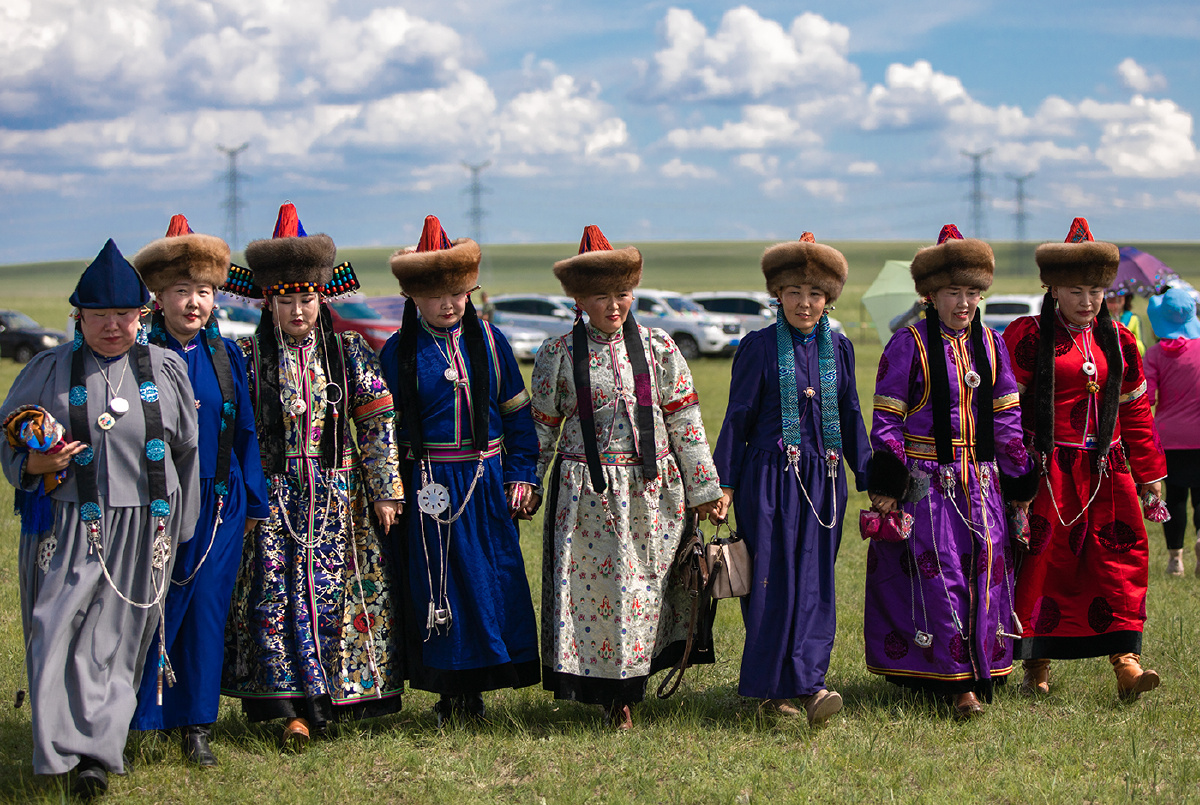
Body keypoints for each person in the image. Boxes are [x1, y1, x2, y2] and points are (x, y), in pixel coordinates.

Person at [0, 240, 199, 799]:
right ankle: (56, 746)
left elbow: (187, 449)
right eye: (98, 315)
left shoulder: (167, 370)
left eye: (124, 314)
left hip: (142, 528)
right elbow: (8, 433)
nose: (112, 326)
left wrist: (181, 527)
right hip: (68, 525)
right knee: (53, 628)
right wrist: (33, 463)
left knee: (116, 638)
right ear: (78, 317)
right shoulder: (47, 369)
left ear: (142, 315)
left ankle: (95, 753)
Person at [220, 203, 405, 747]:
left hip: (334, 496)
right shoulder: (247, 358)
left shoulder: (348, 352)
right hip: (272, 499)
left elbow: (377, 421)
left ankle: (326, 699)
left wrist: (385, 489)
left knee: (332, 593)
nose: (298, 310)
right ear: (269, 302)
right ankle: (290, 705)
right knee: (274, 594)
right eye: (286, 300)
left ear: (322, 298)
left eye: (307, 298)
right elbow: (235, 435)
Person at [529, 225, 726, 729]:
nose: (614, 305)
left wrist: (704, 489)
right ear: (578, 299)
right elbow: (542, 431)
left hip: (654, 495)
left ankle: (631, 689)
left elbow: (685, 421)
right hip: (586, 500)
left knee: (643, 593)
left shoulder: (660, 348)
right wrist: (528, 483)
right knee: (598, 598)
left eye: (622, 294)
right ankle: (609, 694)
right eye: (601, 296)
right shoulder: (557, 355)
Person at [865, 225, 1037, 719]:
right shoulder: (908, 344)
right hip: (927, 486)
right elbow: (888, 419)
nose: (964, 303)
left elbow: (1007, 419)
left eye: (972, 293)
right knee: (940, 579)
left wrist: (1019, 479)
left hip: (982, 485)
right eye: (953, 293)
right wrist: (889, 483)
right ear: (931, 295)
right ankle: (958, 683)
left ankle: (984, 667)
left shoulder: (992, 343)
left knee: (986, 573)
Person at [381, 215, 540, 726]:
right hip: (430, 488)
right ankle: (450, 691)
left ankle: (482, 684)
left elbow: (517, 417)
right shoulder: (397, 352)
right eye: (437, 295)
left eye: (459, 293)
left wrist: (523, 474)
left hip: (487, 482)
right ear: (413, 297)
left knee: (490, 581)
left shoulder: (491, 344)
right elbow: (386, 431)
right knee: (439, 584)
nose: (450, 304)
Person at [1002, 217, 1167, 701]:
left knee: (1118, 561)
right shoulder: (1027, 336)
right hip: (1049, 473)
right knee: (1044, 563)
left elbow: (1136, 410)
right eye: (1076, 289)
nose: (1088, 300)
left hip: (1106, 470)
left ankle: (1127, 666)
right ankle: (1036, 666)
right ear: (1051, 288)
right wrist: (1016, 470)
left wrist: (1150, 472)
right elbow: (1007, 411)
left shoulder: (1120, 340)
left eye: (1097, 290)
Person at [711, 232, 870, 725]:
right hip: (768, 482)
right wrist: (722, 484)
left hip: (824, 481)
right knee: (771, 580)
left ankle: (812, 683)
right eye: (795, 293)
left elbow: (850, 413)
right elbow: (737, 416)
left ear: (829, 298)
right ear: (777, 295)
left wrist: (872, 480)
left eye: (816, 294)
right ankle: (771, 687)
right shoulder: (758, 347)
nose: (805, 303)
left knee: (817, 582)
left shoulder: (839, 349)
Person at [128, 215, 270, 766]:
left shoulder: (226, 356)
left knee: (209, 611)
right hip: (153, 506)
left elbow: (247, 434)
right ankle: (141, 719)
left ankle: (196, 726)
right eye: (181, 291)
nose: (194, 303)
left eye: (204, 292)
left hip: (219, 502)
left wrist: (251, 500)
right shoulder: (135, 358)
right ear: (158, 296)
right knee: (152, 610)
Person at [1142, 287, 1200, 576]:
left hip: (1169, 439)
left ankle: (1176, 558)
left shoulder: (1153, 355)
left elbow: (1147, 399)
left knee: (1174, 498)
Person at [1105, 288, 1145, 357]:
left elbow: (1141, 350)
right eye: (1110, 294)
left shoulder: (1133, 318)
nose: (1115, 297)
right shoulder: (1100, 319)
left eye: (1120, 293)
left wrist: (1127, 336)